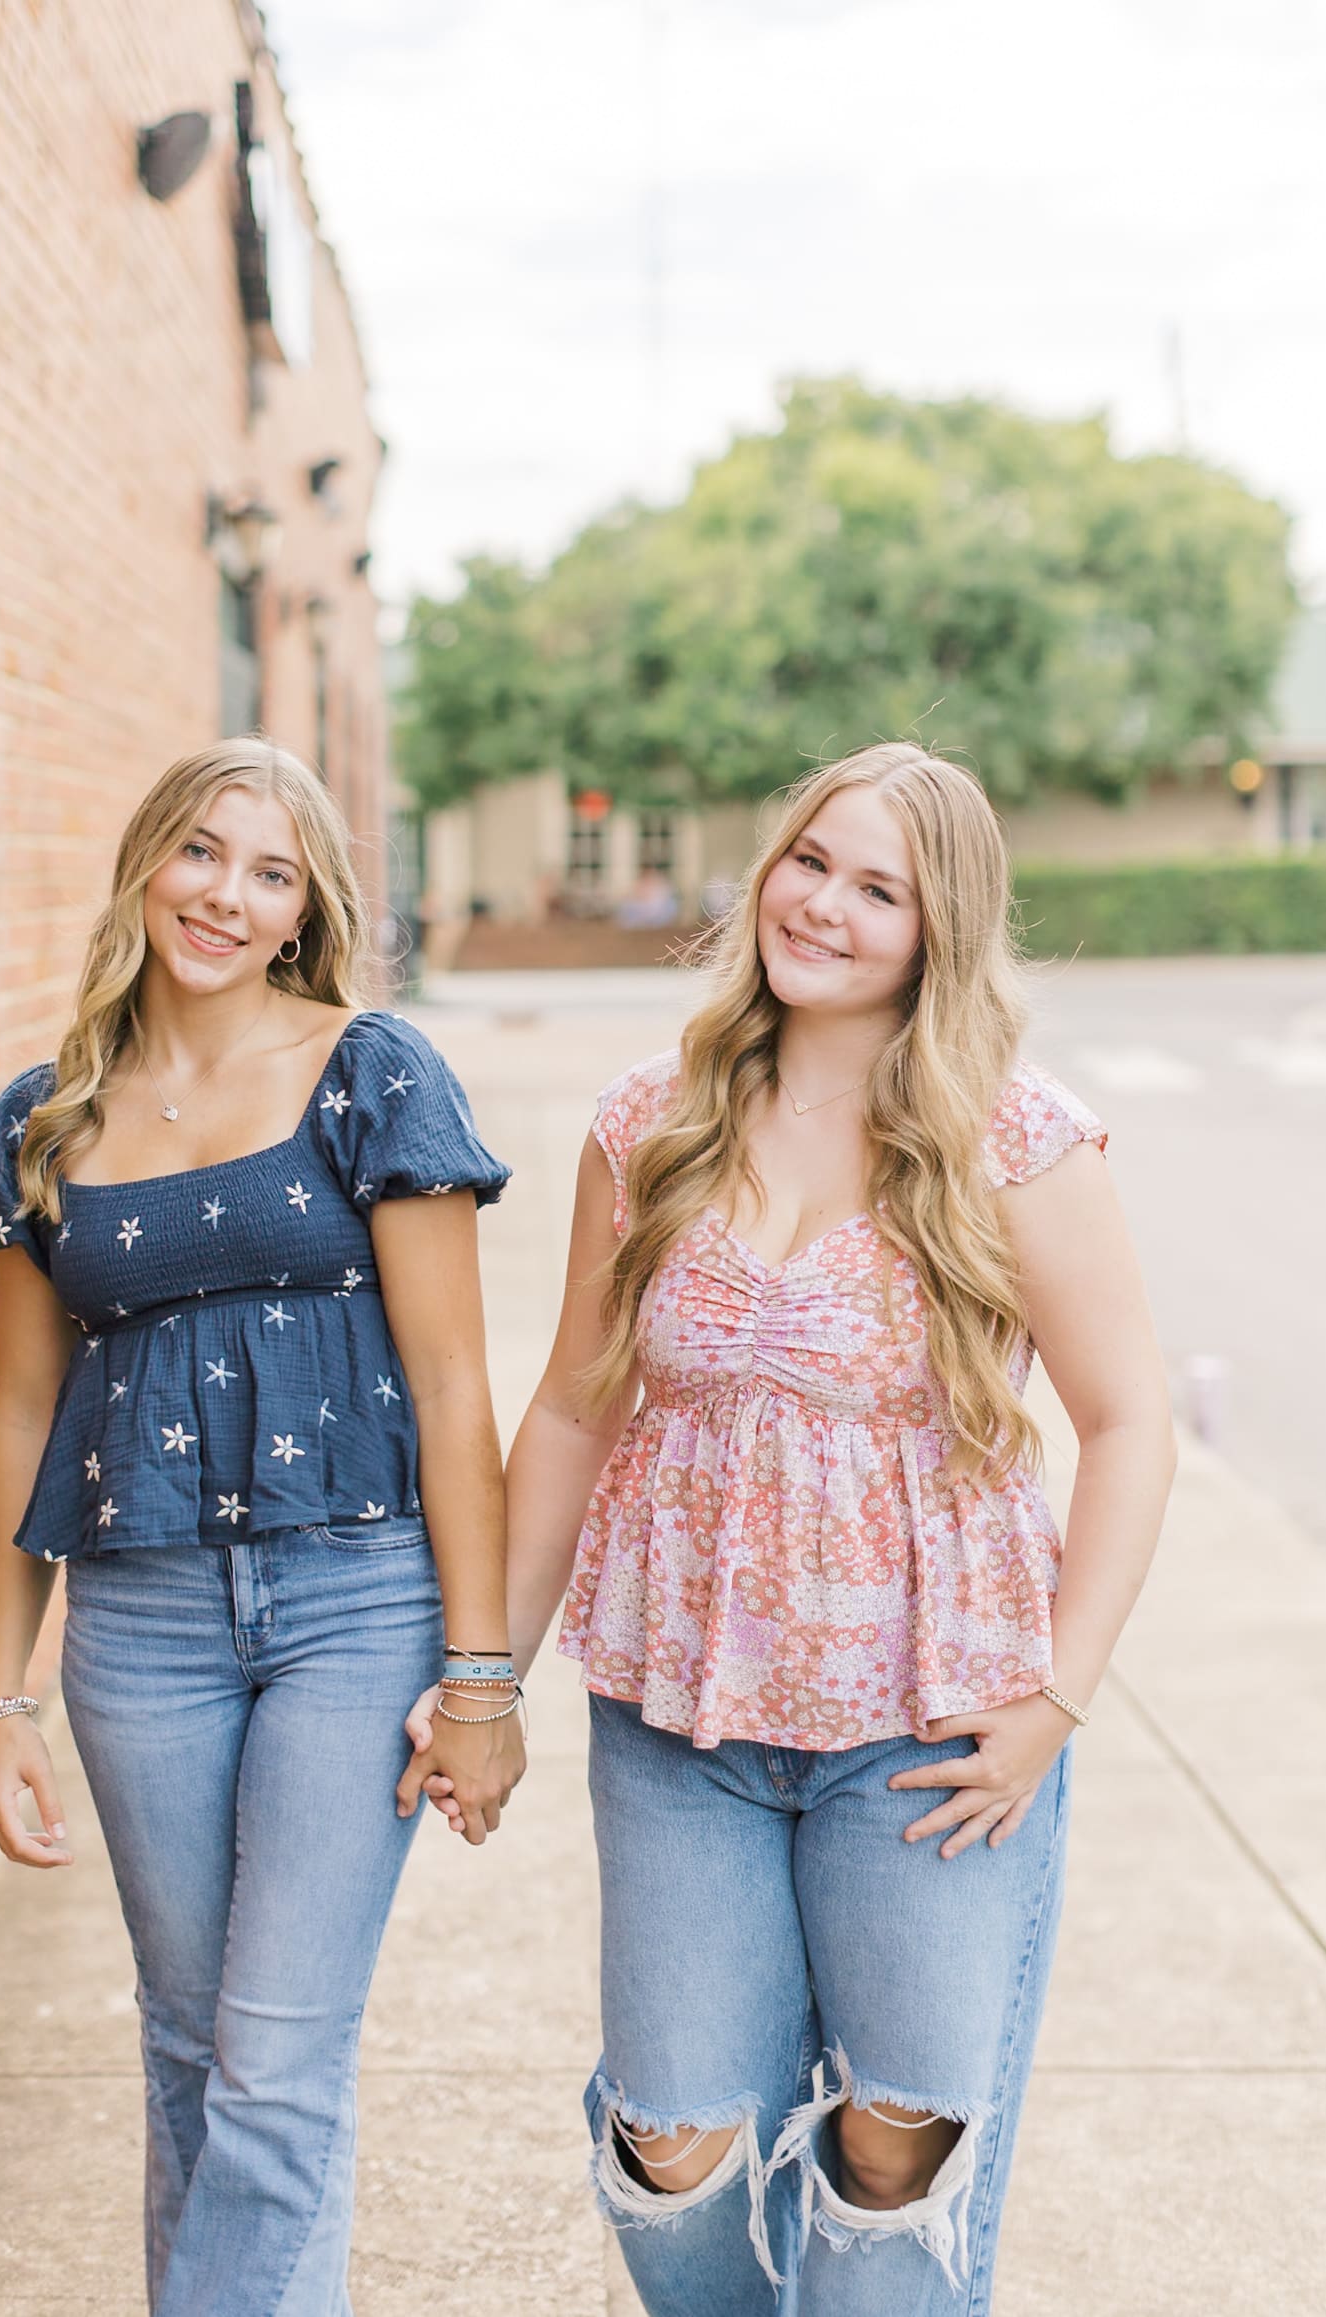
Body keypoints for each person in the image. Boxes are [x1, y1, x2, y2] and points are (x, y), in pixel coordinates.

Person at [425, 741, 1174, 2312]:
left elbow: (1127, 1424)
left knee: (896, 2159)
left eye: (875, 886)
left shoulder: (1012, 1139)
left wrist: (1056, 1697)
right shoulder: (651, 1122)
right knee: (673, 2141)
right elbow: (571, 1409)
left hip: (928, 1735)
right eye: (807, 860)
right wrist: (482, 1671)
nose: (820, 904)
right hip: (678, 1721)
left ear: (935, 926)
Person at [0, 737, 523, 2317]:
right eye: (202, 851)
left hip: (354, 1600)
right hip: (136, 1626)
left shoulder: (373, 1073)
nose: (226, 893)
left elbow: (456, 1389)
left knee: (275, 2058)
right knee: (194, 2046)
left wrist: (483, 1675)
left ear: (300, 911)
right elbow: (18, 1416)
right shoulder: (43, 1119)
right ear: (147, 861)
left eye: (270, 872)